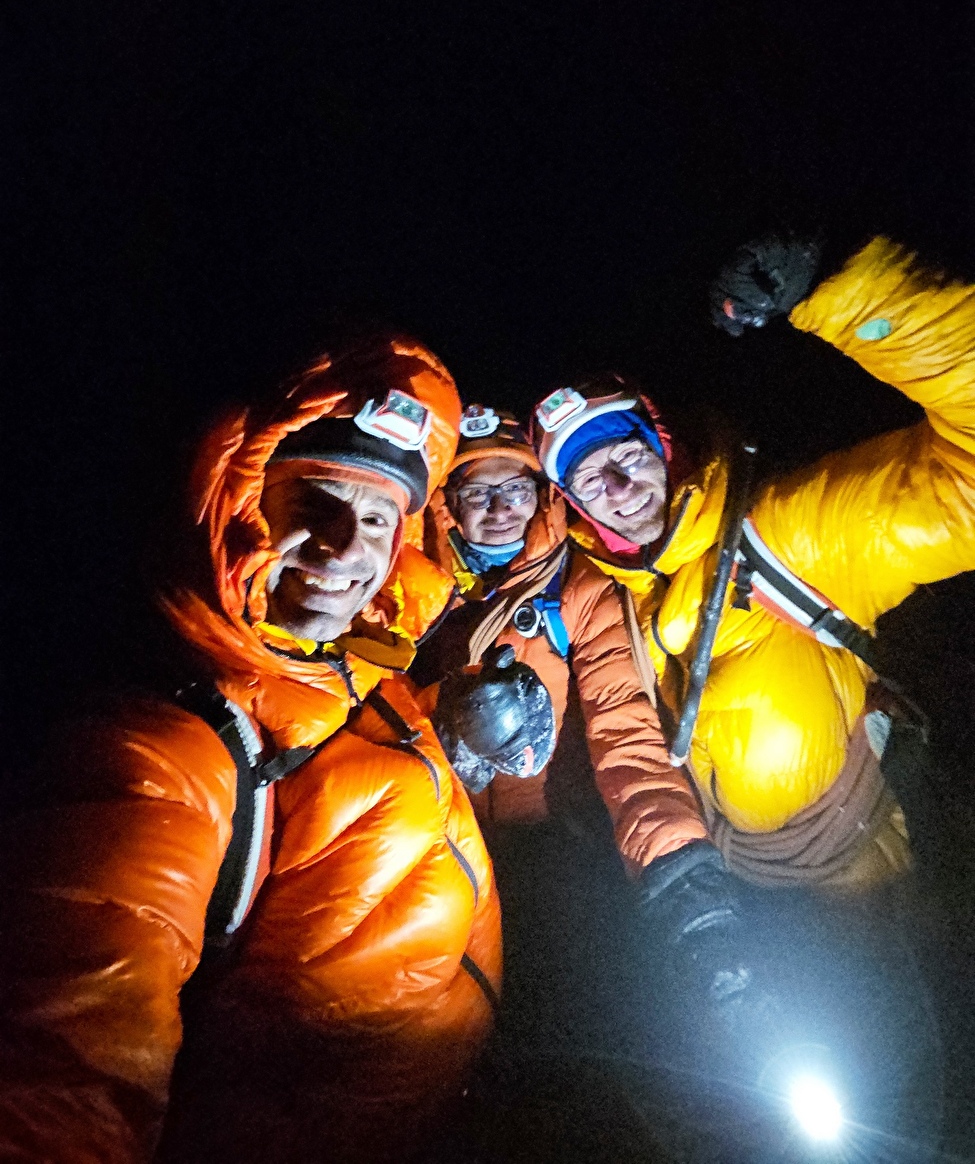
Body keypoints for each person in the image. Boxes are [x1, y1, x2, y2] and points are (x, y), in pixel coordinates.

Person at [0, 334, 501, 1164]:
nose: (345, 548)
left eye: (376, 517)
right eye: (312, 506)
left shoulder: (348, 672)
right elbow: (56, 1078)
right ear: (241, 510)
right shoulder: (161, 756)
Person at [530, 235, 975, 891]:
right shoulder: (623, 597)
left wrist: (842, 290)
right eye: (588, 481)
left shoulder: (788, 531)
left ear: (664, 443)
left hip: (871, 883)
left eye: (625, 453)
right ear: (574, 506)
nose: (616, 488)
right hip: (751, 902)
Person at [415, 405, 762, 1061]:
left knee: (572, 1025)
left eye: (514, 488)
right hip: (444, 851)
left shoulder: (581, 592)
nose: (497, 509)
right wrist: (452, 726)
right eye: (475, 491)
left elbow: (628, 741)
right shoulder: (415, 596)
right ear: (447, 504)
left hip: (557, 847)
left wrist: (690, 894)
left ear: (543, 496)